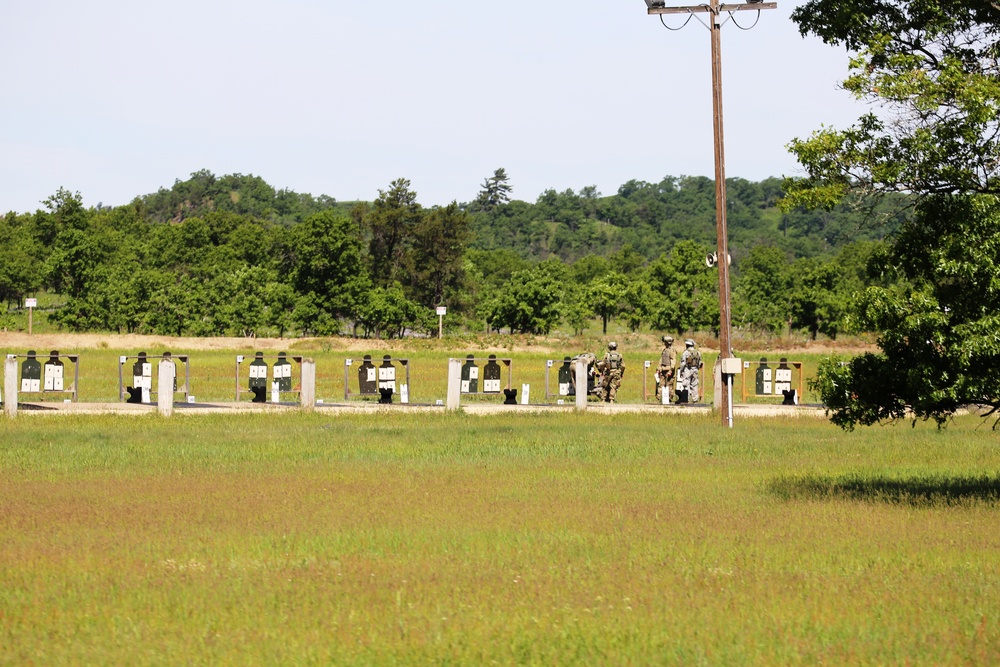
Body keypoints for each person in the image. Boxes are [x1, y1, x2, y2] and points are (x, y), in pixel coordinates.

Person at [678, 339, 702, 403]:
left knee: (686, 384)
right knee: (695, 384)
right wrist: (696, 368)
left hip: (687, 370)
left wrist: (681, 371)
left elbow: (683, 363)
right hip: (695, 370)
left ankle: (687, 398)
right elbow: (699, 362)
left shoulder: (685, 352)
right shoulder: (698, 352)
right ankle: (695, 399)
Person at [655, 335, 675, 403]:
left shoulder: (672, 351)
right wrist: (658, 368)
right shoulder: (664, 350)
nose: (664, 343)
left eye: (665, 342)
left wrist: (671, 370)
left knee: (669, 385)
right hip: (663, 370)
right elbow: (661, 359)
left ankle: (669, 399)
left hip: (669, 370)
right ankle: (660, 398)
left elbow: (673, 361)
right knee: (661, 384)